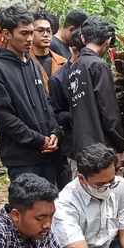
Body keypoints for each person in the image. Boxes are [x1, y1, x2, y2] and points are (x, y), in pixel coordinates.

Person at [0, 6, 61, 184]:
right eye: (24, 33)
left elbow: (47, 103)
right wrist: (38, 140)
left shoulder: (33, 65)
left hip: (47, 153)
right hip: (21, 159)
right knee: (28, 209)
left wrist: (55, 131)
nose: (29, 39)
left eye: (31, 33)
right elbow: (4, 117)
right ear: (6, 34)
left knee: (50, 208)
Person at [69, 16, 124, 161]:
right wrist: (119, 146)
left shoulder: (75, 66)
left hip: (81, 145)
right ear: (108, 40)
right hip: (100, 148)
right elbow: (109, 111)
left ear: (82, 38)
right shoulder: (98, 65)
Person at [50, 28, 83, 181]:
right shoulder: (59, 79)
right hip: (75, 145)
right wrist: (75, 114)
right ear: (75, 50)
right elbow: (56, 114)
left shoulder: (93, 70)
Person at [30, 12, 67, 94]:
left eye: (48, 30)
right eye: (40, 30)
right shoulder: (24, 62)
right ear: (31, 33)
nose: (46, 35)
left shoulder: (63, 62)